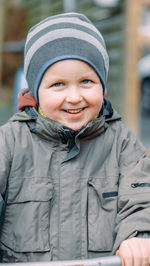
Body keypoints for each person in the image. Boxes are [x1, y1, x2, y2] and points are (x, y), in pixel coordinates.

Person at [0, 12, 150, 265]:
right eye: (58, 84)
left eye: (86, 82)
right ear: (35, 91)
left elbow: (141, 199)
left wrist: (138, 235)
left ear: (103, 86)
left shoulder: (122, 144)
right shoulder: (10, 142)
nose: (73, 96)